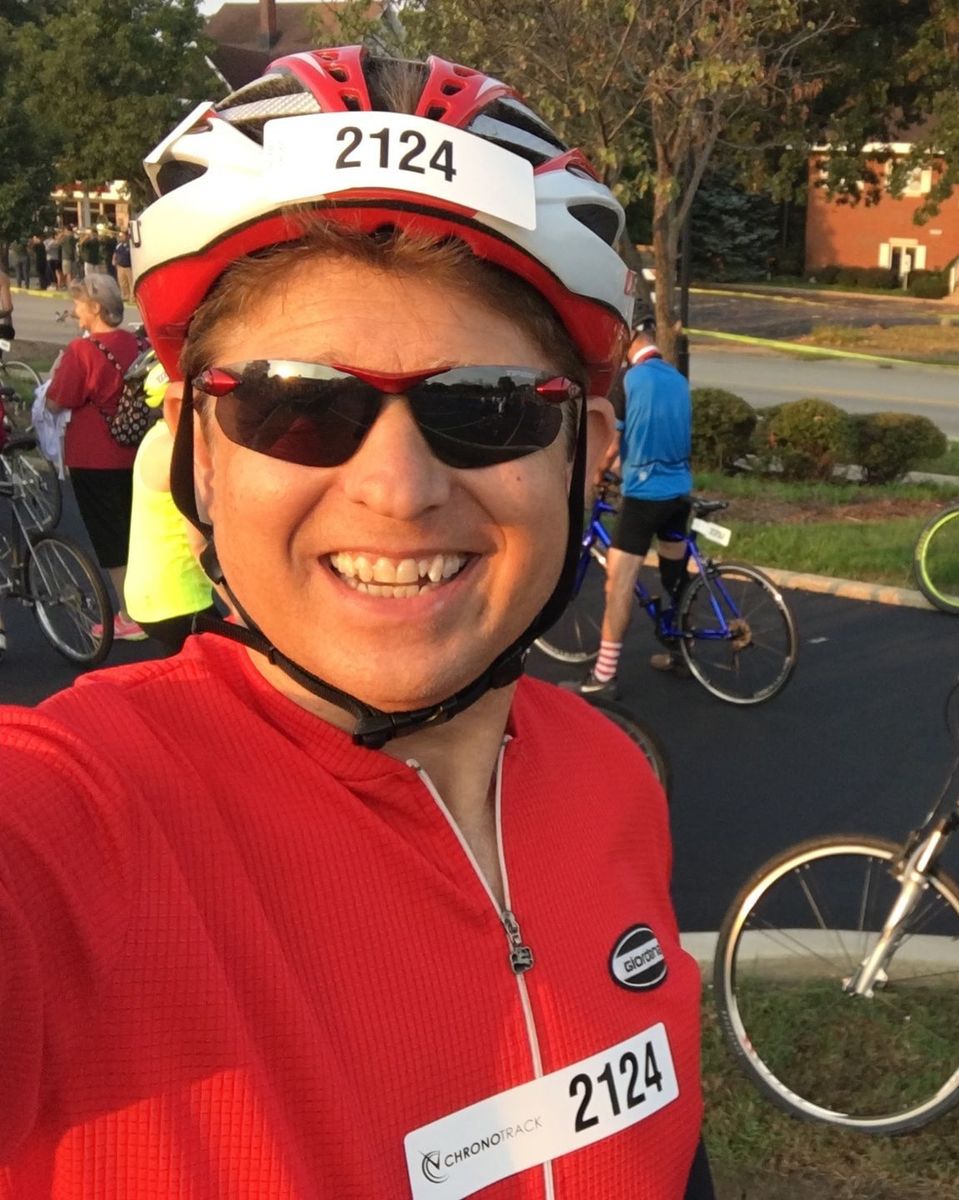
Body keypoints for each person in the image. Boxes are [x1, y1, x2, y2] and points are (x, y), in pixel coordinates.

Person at [0, 48, 713, 1197]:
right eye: (296, 404)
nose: (398, 489)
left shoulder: (611, 778)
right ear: (198, 456)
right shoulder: (79, 821)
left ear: (587, 457)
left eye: (484, 407)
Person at [568, 316, 693, 696]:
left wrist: (596, 473)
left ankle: (604, 676)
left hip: (644, 498)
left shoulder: (629, 380)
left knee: (618, 583)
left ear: (631, 339)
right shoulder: (677, 379)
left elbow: (611, 443)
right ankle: (682, 652)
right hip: (679, 494)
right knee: (674, 578)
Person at [43, 271, 146, 640]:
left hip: (93, 455)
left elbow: (57, 401)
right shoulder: (133, 343)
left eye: (79, 304)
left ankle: (129, 615)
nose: (75, 311)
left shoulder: (82, 351)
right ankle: (148, 604)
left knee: (109, 535)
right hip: (133, 448)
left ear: (95, 308)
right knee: (136, 529)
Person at [121, 352, 214, 651]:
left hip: (151, 596)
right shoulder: (178, 451)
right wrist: (240, 607)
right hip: (180, 598)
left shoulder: (157, 437)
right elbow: (199, 543)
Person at [113, 227, 134, 297]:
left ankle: (132, 296)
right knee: (122, 282)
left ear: (127, 236)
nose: (121, 237)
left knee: (130, 282)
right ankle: (125, 295)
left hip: (128, 266)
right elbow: (115, 253)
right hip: (120, 266)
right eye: (120, 236)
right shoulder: (119, 245)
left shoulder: (130, 244)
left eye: (123, 235)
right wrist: (114, 260)